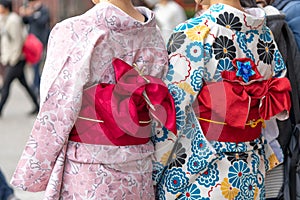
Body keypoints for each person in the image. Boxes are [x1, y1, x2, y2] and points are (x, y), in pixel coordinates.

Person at [10, 0, 175, 199]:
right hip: (140, 166)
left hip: (89, 170)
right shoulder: (154, 32)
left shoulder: (76, 30)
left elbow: (57, 105)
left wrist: (36, 167)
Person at [152, 0, 292, 199]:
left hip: (203, 173)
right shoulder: (264, 33)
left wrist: (154, 169)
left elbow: (174, 111)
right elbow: (275, 98)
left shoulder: (196, 32)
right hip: (251, 170)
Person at [0, 0, 39, 117]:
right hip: (10, 58)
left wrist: (13, 59)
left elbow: (18, 42)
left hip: (16, 60)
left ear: (6, 7)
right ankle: (38, 106)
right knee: (24, 84)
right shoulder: (4, 19)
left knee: (6, 85)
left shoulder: (13, 20)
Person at [19, 0, 51, 98]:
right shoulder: (30, 10)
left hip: (41, 42)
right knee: (34, 66)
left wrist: (32, 14)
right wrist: (24, 14)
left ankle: (37, 88)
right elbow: (25, 21)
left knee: (38, 66)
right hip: (32, 42)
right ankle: (36, 88)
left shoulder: (43, 10)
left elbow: (42, 21)